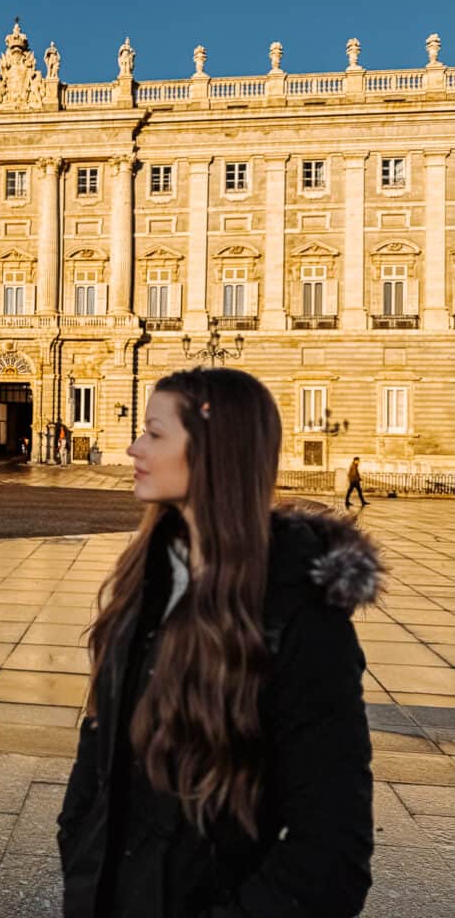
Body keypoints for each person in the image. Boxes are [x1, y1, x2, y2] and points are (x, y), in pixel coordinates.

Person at [58, 367, 382, 918]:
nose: (134, 447)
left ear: (212, 451)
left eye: (155, 434)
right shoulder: (146, 579)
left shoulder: (298, 615)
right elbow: (102, 744)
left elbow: (332, 849)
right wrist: (81, 849)